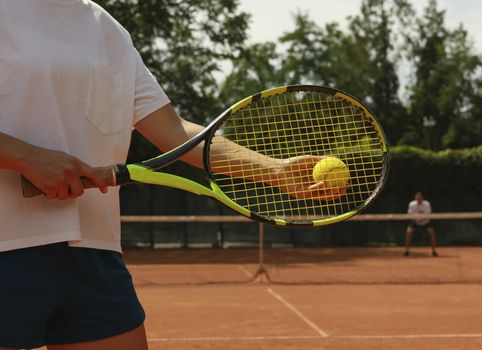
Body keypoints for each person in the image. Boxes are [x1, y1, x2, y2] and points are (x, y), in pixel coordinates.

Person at [0, 1, 342, 349]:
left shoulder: (107, 29)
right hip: (6, 246)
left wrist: (276, 170)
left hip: (94, 249)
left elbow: (177, 133)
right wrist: (24, 157)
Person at [403, 191, 438, 257]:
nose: (418, 200)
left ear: (422, 198)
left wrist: (421, 219)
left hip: (426, 222)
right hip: (414, 222)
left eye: (420, 199)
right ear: (415, 199)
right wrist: (417, 220)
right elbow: (410, 215)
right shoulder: (411, 204)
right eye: (417, 199)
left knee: (431, 233)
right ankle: (406, 251)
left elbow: (428, 215)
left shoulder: (427, 204)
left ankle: (434, 252)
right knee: (408, 232)